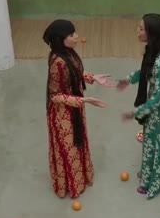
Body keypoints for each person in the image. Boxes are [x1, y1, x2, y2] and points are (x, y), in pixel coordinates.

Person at [43, 20, 114, 199]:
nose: (76, 37)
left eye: (75, 33)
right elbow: (55, 96)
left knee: (77, 143)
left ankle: (80, 179)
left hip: (74, 106)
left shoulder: (68, 54)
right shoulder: (57, 62)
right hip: (62, 114)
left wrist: (92, 77)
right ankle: (69, 186)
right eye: (71, 35)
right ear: (60, 39)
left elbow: (74, 72)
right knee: (69, 149)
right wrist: (83, 100)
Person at [117, 14, 160, 199]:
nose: (137, 32)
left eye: (141, 29)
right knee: (151, 141)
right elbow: (146, 70)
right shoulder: (154, 51)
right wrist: (129, 80)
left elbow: (159, 97)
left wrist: (136, 112)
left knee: (158, 143)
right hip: (158, 106)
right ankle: (149, 174)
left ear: (152, 34)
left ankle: (157, 180)